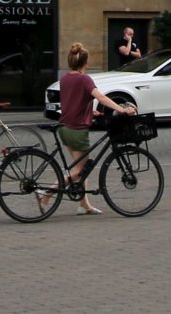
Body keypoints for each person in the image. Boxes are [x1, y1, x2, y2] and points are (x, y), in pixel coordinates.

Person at [52, 44, 135, 216]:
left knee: (81, 169)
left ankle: (84, 205)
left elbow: (73, 101)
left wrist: (92, 112)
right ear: (85, 62)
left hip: (65, 128)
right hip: (77, 130)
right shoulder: (84, 79)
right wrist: (121, 109)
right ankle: (47, 193)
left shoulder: (65, 78)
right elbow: (101, 97)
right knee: (80, 171)